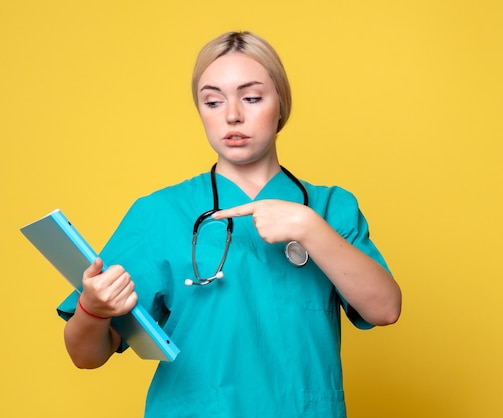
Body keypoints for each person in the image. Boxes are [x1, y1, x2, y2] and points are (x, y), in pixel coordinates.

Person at [58, 31, 402, 417]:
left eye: (252, 98)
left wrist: (308, 227)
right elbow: (87, 356)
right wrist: (92, 308)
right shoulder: (159, 213)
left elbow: (385, 309)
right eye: (212, 101)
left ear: (280, 106)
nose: (232, 114)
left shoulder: (329, 207)